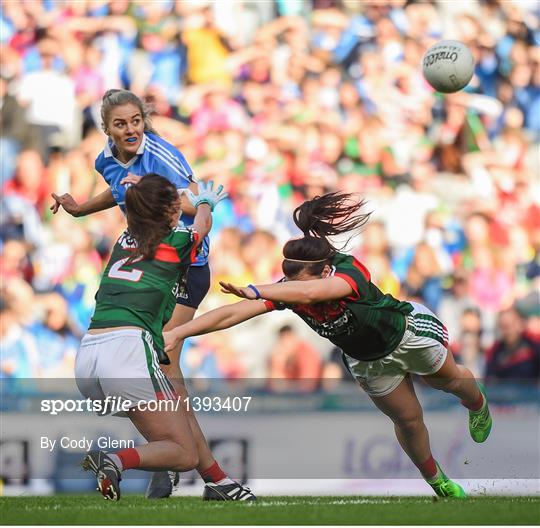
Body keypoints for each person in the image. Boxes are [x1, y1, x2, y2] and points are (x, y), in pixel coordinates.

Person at [164, 192, 493, 499]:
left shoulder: (348, 271)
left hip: (406, 335)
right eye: (288, 282)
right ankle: (439, 482)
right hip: (368, 360)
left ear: (323, 269)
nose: (292, 288)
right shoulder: (289, 288)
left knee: (448, 381)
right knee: (408, 420)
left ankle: (477, 404)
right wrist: (180, 333)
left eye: (297, 282)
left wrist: (258, 289)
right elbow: (233, 313)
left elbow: (310, 294)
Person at [51, 89, 254, 501]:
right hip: (163, 256)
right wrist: (83, 208)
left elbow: (189, 206)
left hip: (181, 270)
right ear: (106, 128)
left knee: (167, 367)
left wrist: (199, 205)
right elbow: (137, 197)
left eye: (135, 121)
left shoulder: (162, 158)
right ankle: (181, 462)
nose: (129, 130)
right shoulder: (105, 160)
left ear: (145, 120)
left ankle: (184, 465)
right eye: (120, 124)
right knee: (165, 375)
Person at [77, 175, 226, 501]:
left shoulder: (121, 240)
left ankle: (215, 482)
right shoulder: (177, 242)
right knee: (184, 453)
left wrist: (139, 187)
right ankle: (114, 461)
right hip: (128, 350)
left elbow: (143, 211)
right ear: (173, 212)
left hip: (88, 357)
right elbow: (203, 223)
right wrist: (205, 202)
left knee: (170, 436)